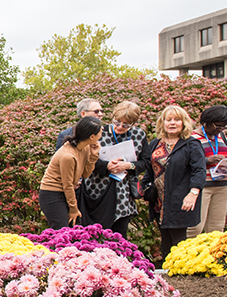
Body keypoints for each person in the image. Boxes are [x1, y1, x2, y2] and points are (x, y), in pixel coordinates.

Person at [140, 105, 206, 260]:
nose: (172, 123)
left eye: (177, 120)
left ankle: (180, 274)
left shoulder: (191, 144)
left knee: (178, 238)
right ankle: (166, 274)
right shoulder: (155, 144)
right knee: (164, 236)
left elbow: (199, 171)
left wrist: (193, 193)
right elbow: (149, 170)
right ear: (162, 123)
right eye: (168, 120)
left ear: (184, 123)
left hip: (181, 198)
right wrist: (144, 189)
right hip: (159, 200)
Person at [78, 101, 149, 238]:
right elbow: (85, 158)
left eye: (126, 124)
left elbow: (145, 161)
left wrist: (129, 165)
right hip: (97, 191)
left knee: (118, 237)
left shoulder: (139, 135)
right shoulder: (99, 132)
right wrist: (106, 166)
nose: (120, 127)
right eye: (117, 122)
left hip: (123, 195)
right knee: (95, 236)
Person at [39, 117, 103, 229]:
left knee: (73, 232)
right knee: (62, 232)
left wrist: (93, 156)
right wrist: (73, 209)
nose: (102, 135)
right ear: (92, 136)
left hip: (66, 192)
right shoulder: (68, 156)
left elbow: (85, 174)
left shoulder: (86, 148)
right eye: (100, 132)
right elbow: (67, 185)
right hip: (52, 194)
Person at [187, 105, 227, 238]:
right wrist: (207, 160)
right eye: (217, 125)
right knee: (195, 227)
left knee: (216, 228)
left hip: (222, 186)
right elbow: (184, 161)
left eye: (223, 126)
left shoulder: (222, 137)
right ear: (206, 121)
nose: (220, 129)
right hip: (202, 186)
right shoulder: (191, 137)